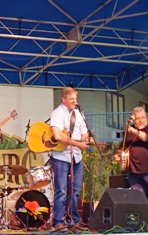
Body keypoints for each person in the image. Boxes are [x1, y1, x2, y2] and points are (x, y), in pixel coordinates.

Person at [50, 87, 90, 232]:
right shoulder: (57, 113)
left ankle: (73, 220)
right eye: (72, 98)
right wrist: (77, 143)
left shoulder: (78, 114)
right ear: (64, 99)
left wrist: (86, 139)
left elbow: (84, 133)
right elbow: (57, 136)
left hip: (76, 157)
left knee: (75, 190)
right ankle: (58, 221)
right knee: (61, 190)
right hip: (61, 157)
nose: (75, 101)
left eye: (75, 98)